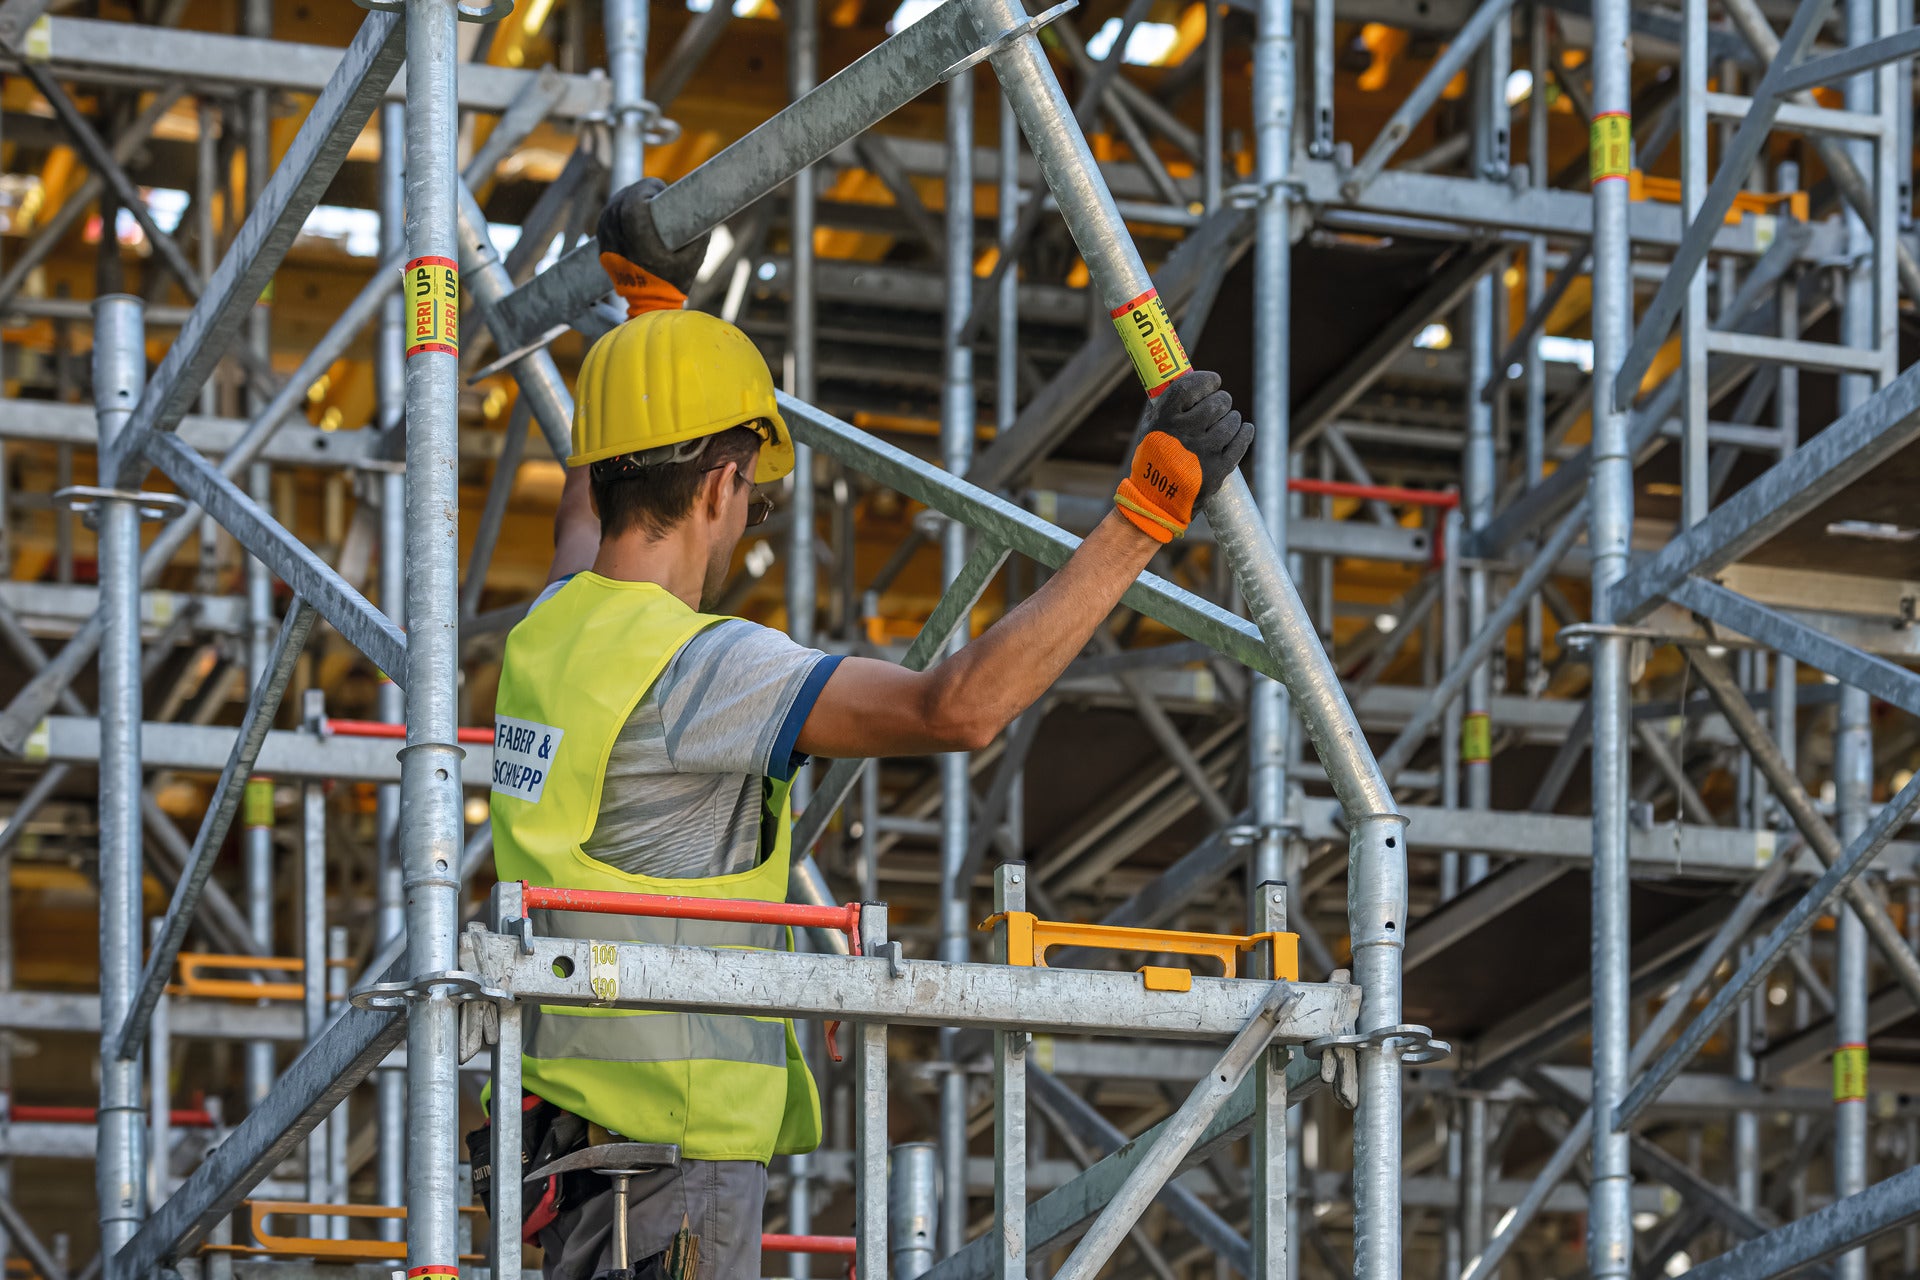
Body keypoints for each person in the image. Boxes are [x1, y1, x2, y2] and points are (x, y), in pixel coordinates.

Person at [487, 179, 1254, 1280]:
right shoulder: (705, 670)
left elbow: (592, 497)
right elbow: (962, 704)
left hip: (563, 1161)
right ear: (720, 481)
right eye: (752, 495)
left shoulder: (551, 630)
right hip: (671, 1168)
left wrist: (654, 318)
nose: (748, 515)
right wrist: (1144, 516)